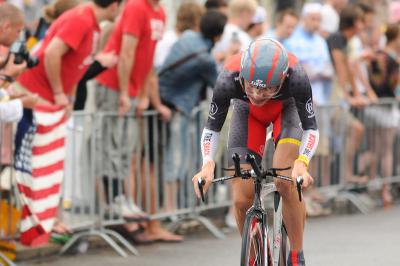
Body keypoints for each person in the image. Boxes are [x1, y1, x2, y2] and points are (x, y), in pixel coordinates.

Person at [192, 38, 319, 266]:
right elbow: (212, 127)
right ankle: (255, 257)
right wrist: (207, 164)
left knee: (285, 180)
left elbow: (311, 128)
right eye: (251, 86)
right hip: (247, 114)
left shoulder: (296, 75)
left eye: (268, 88)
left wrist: (302, 161)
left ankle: (296, 256)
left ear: (282, 80)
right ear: (241, 76)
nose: (258, 94)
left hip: (285, 111)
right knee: (242, 198)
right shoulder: (228, 77)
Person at [13, 0, 121, 246]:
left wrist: (68, 96)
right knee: (39, 162)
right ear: (114, 6)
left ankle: (48, 219)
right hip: (39, 96)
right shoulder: (81, 19)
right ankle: (37, 222)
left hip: (51, 98)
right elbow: (52, 52)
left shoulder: (92, 24)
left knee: (51, 164)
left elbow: (76, 64)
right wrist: (60, 92)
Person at [94, 0, 180, 244]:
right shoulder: (135, 7)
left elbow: (147, 59)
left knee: (125, 149)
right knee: (110, 147)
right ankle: (113, 202)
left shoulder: (159, 12)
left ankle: (122, 201)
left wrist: (142, 95)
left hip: (132, 89)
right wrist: (124, 92)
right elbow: (127, 51)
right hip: (114, 86)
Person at [159, 10, 226, 215]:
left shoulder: (188, 37)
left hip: (162, 100)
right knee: (176, 159)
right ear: (218, 36)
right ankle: (171, 209)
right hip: (177, 107)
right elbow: (219, 85)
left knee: (174, 158)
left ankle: (174, 208)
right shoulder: (204, 59)